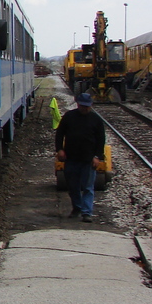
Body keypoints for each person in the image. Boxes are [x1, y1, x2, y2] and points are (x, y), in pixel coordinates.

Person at [55, 93, 105, 223]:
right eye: (83, 106)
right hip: (71, 158)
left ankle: (86, 212)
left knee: (88, 187)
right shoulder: (69, 117)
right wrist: (59, 149)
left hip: (88, 160)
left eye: (87, 106)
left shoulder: (96, 120)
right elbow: (59, 133)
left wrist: (97, 156)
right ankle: (77, 207)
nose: (85, 109)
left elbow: (101, 140)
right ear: (78, 104)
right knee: (73, 186)